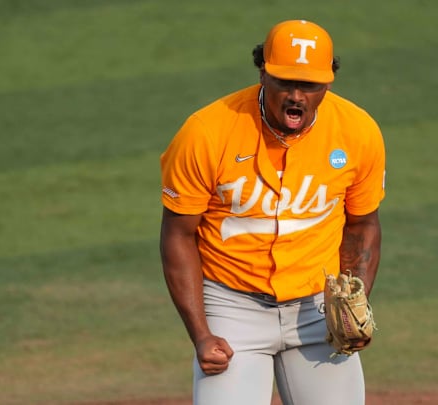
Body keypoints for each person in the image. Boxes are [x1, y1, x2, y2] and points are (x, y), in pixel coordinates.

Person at [159, 19, 385, 405]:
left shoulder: (358, 131)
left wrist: (353, 300)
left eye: (310, 85)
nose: (296, 96)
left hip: (316, 306)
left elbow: (362, 225)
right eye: (284, 82)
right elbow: (178, 235)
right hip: (231, 306)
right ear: (263, 72)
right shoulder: (207, 132)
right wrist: (201, 332)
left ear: (328, 82)